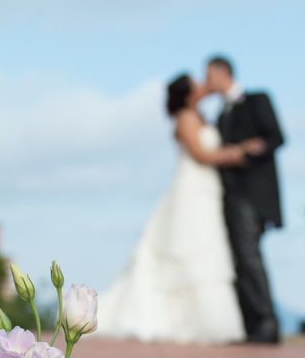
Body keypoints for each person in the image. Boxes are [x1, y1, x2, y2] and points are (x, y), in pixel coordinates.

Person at [96, 73, 264, 343]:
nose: (202, 86)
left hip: (208, 191)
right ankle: (181, 321)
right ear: (187, 94)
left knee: (207, 250)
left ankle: (206, 324)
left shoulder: (201, 115)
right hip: (191, 189)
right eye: (196, 85)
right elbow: (200, 154)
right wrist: (238, 152)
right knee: (187, 249)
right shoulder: (185, 118)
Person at [205, 55, 285, 344]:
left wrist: (247, 151)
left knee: (250, 258)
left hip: (253, 196)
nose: (207, 82)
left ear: (222, 72)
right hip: (230, 196)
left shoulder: (257, 100)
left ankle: (267, 324)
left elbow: (276, 137)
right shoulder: (220, 114)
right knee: (239, 261)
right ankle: (253, 327)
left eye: (209, 75)